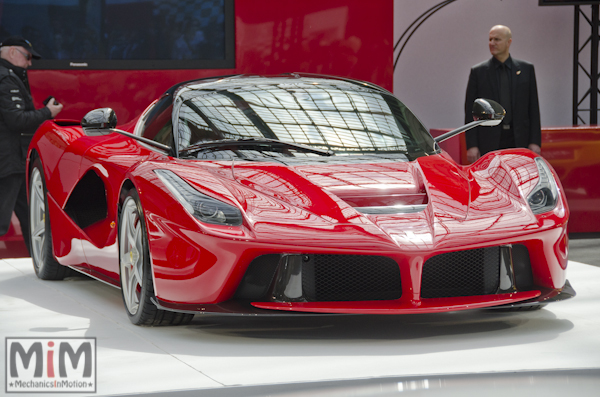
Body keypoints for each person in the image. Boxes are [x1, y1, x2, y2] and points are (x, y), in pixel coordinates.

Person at [0, 36, 63, 254]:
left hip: (14, 160)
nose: (29, 63)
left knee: (29, 214)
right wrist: (47, 113)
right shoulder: (6, 79)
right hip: (8, 160)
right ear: (11, 53)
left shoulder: (9, 77)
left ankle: (37, 258)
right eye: (27, 57)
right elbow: (16, 119)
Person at [464, 25, 541, 163]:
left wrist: (535, 141)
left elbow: (533, 108)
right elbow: (471, 111)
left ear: (508, 42)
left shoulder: (526, 69)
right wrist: (472, 145)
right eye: (490, 39)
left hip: (519, 139)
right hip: (488, 141)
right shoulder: (479, 72)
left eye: (497, 39)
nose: (492, 43)